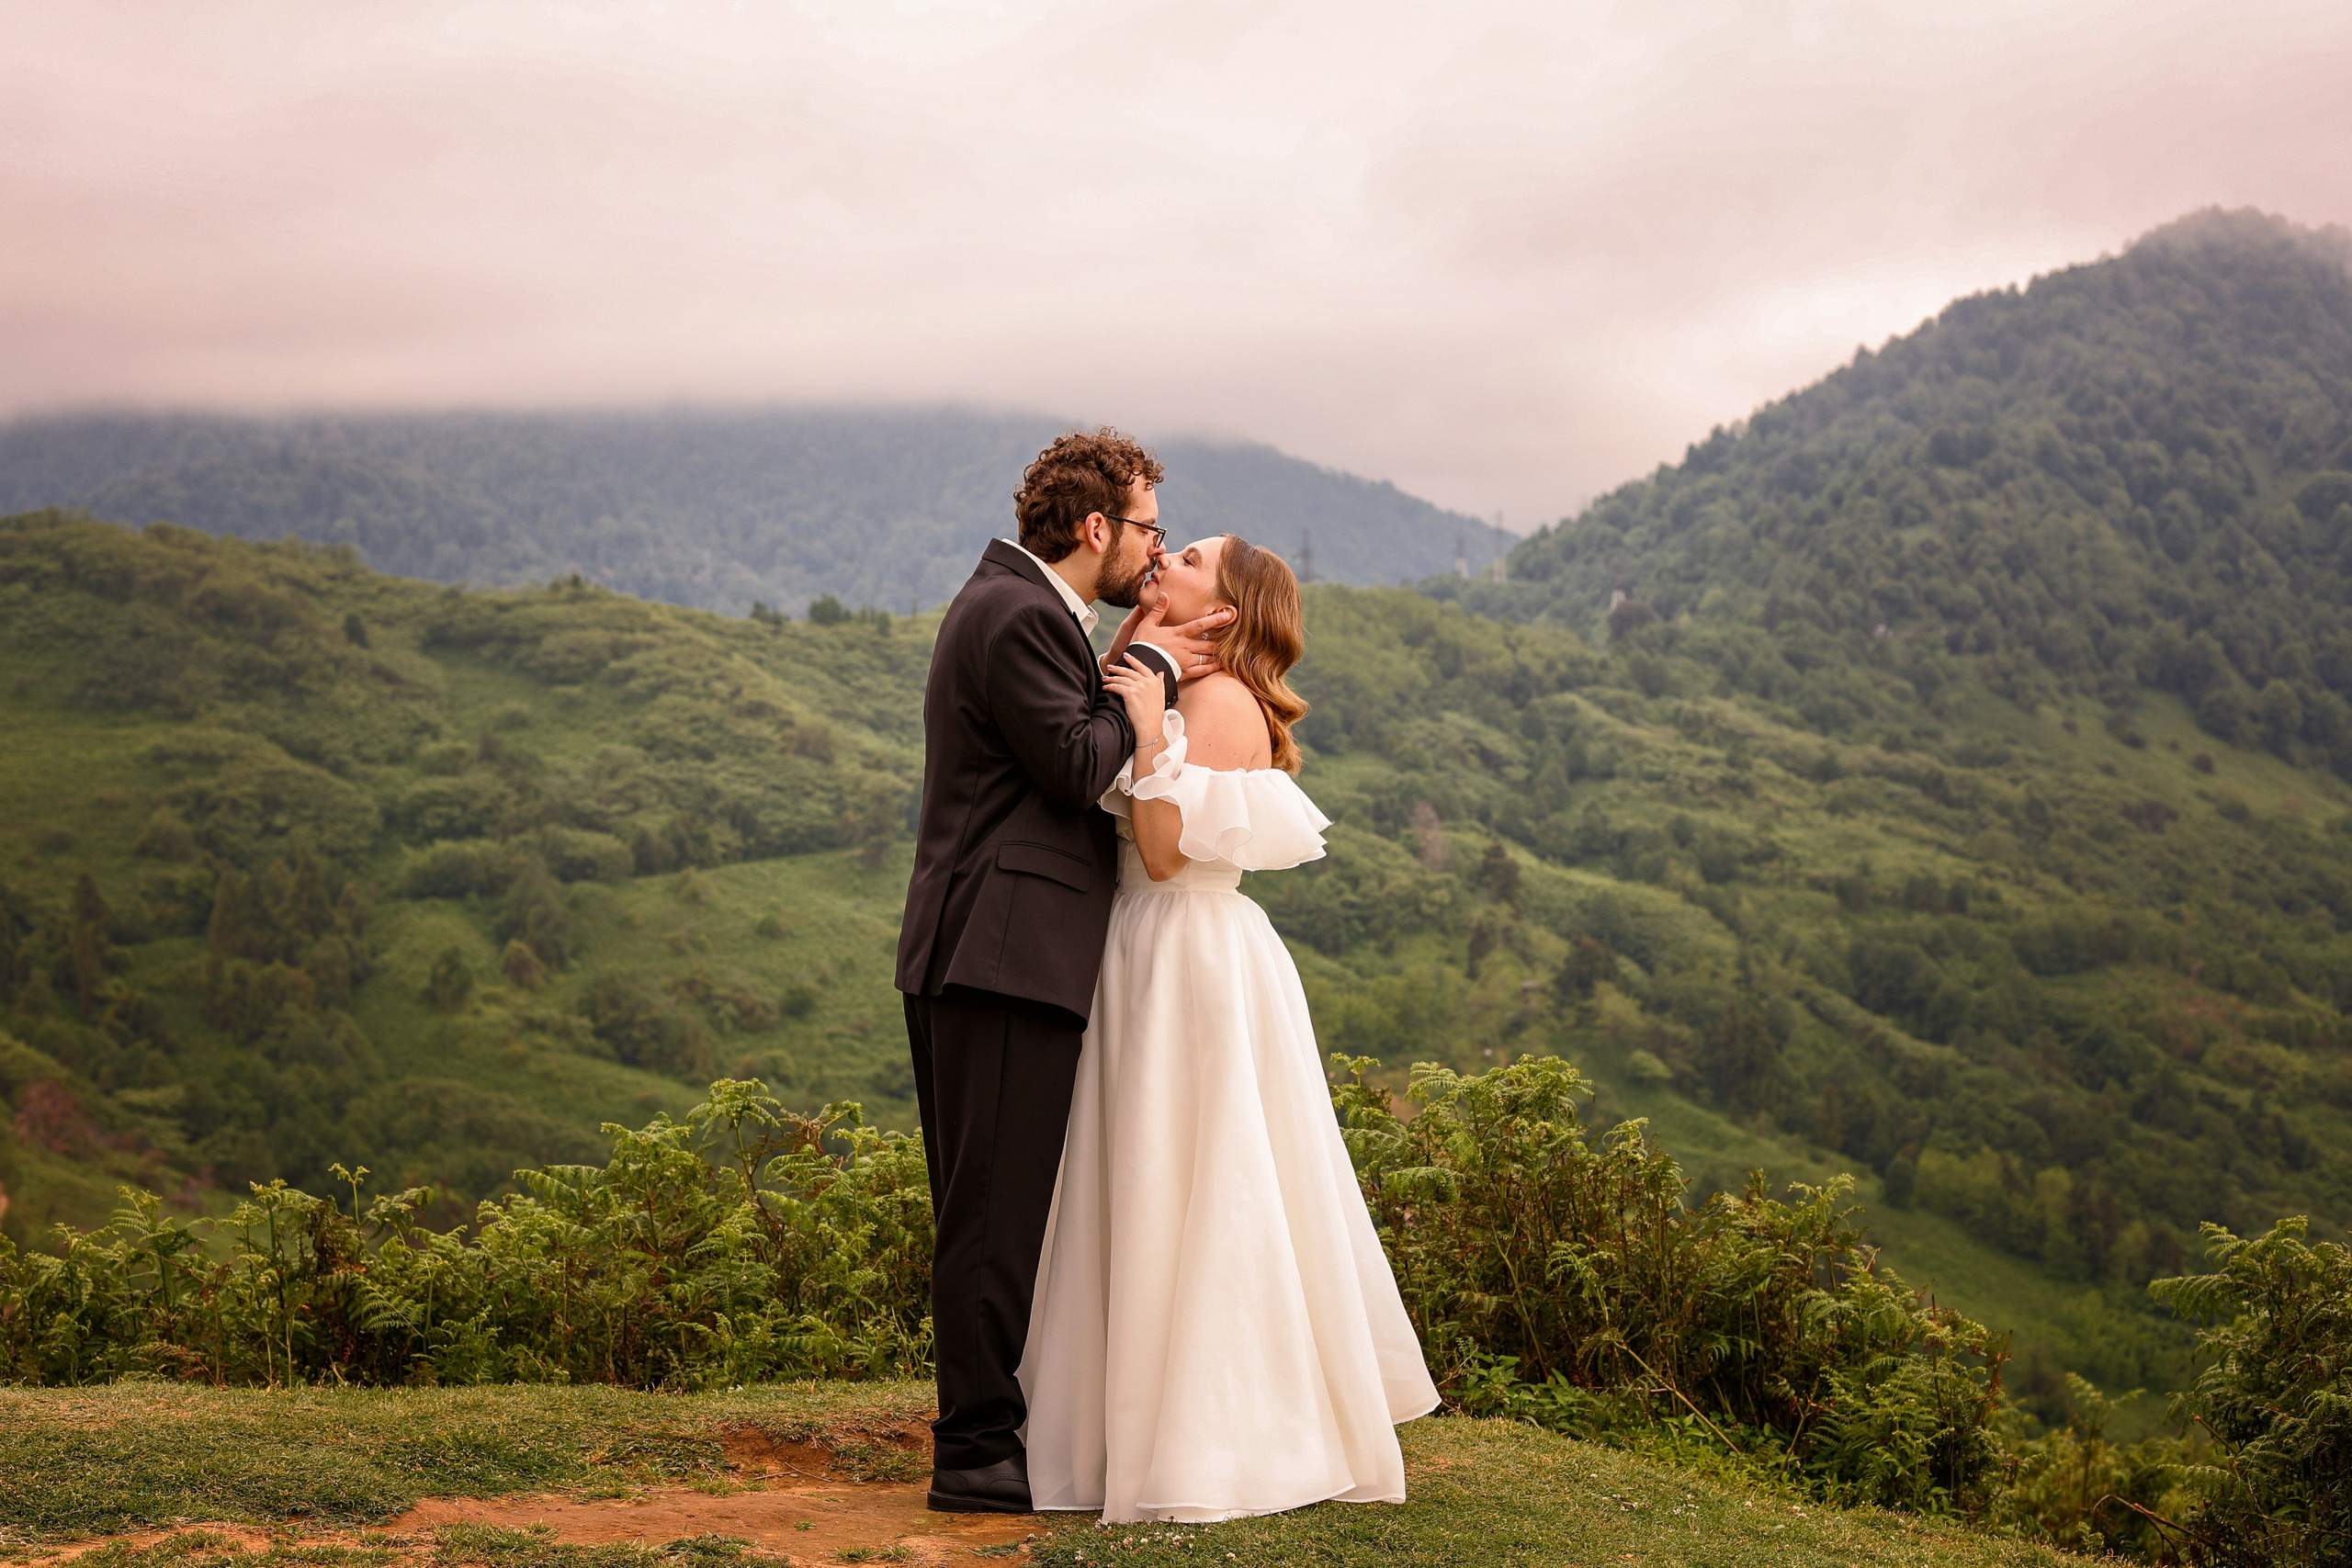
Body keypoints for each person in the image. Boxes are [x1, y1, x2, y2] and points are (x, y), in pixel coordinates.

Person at [1019, 534, 1440, 1524]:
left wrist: (1145, 716)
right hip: (1160, 945)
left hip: (1181, 948)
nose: (1167, 560)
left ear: (1231, 604)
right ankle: (1150, 1421)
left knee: (1198, 1178)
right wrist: (1136, 670)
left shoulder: (1211, 702)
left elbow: (1163, 853)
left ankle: (1214, 1440)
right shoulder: (1188, 687)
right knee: (1166, 1174)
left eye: (1191, 559)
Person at [897, 429, 1232, 1514]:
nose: (1155, 547)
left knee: (989, 1202)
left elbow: (1052, 731)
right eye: (1148, 529)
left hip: (992, 946)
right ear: (1098, 529)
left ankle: (986, 1433)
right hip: (1002, 951)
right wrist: (1158, 677)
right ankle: (975, 1453)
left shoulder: (1029, 612)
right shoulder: (1019, 613)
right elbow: (1079, 763)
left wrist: (1113, 658)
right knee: (992, 1211)